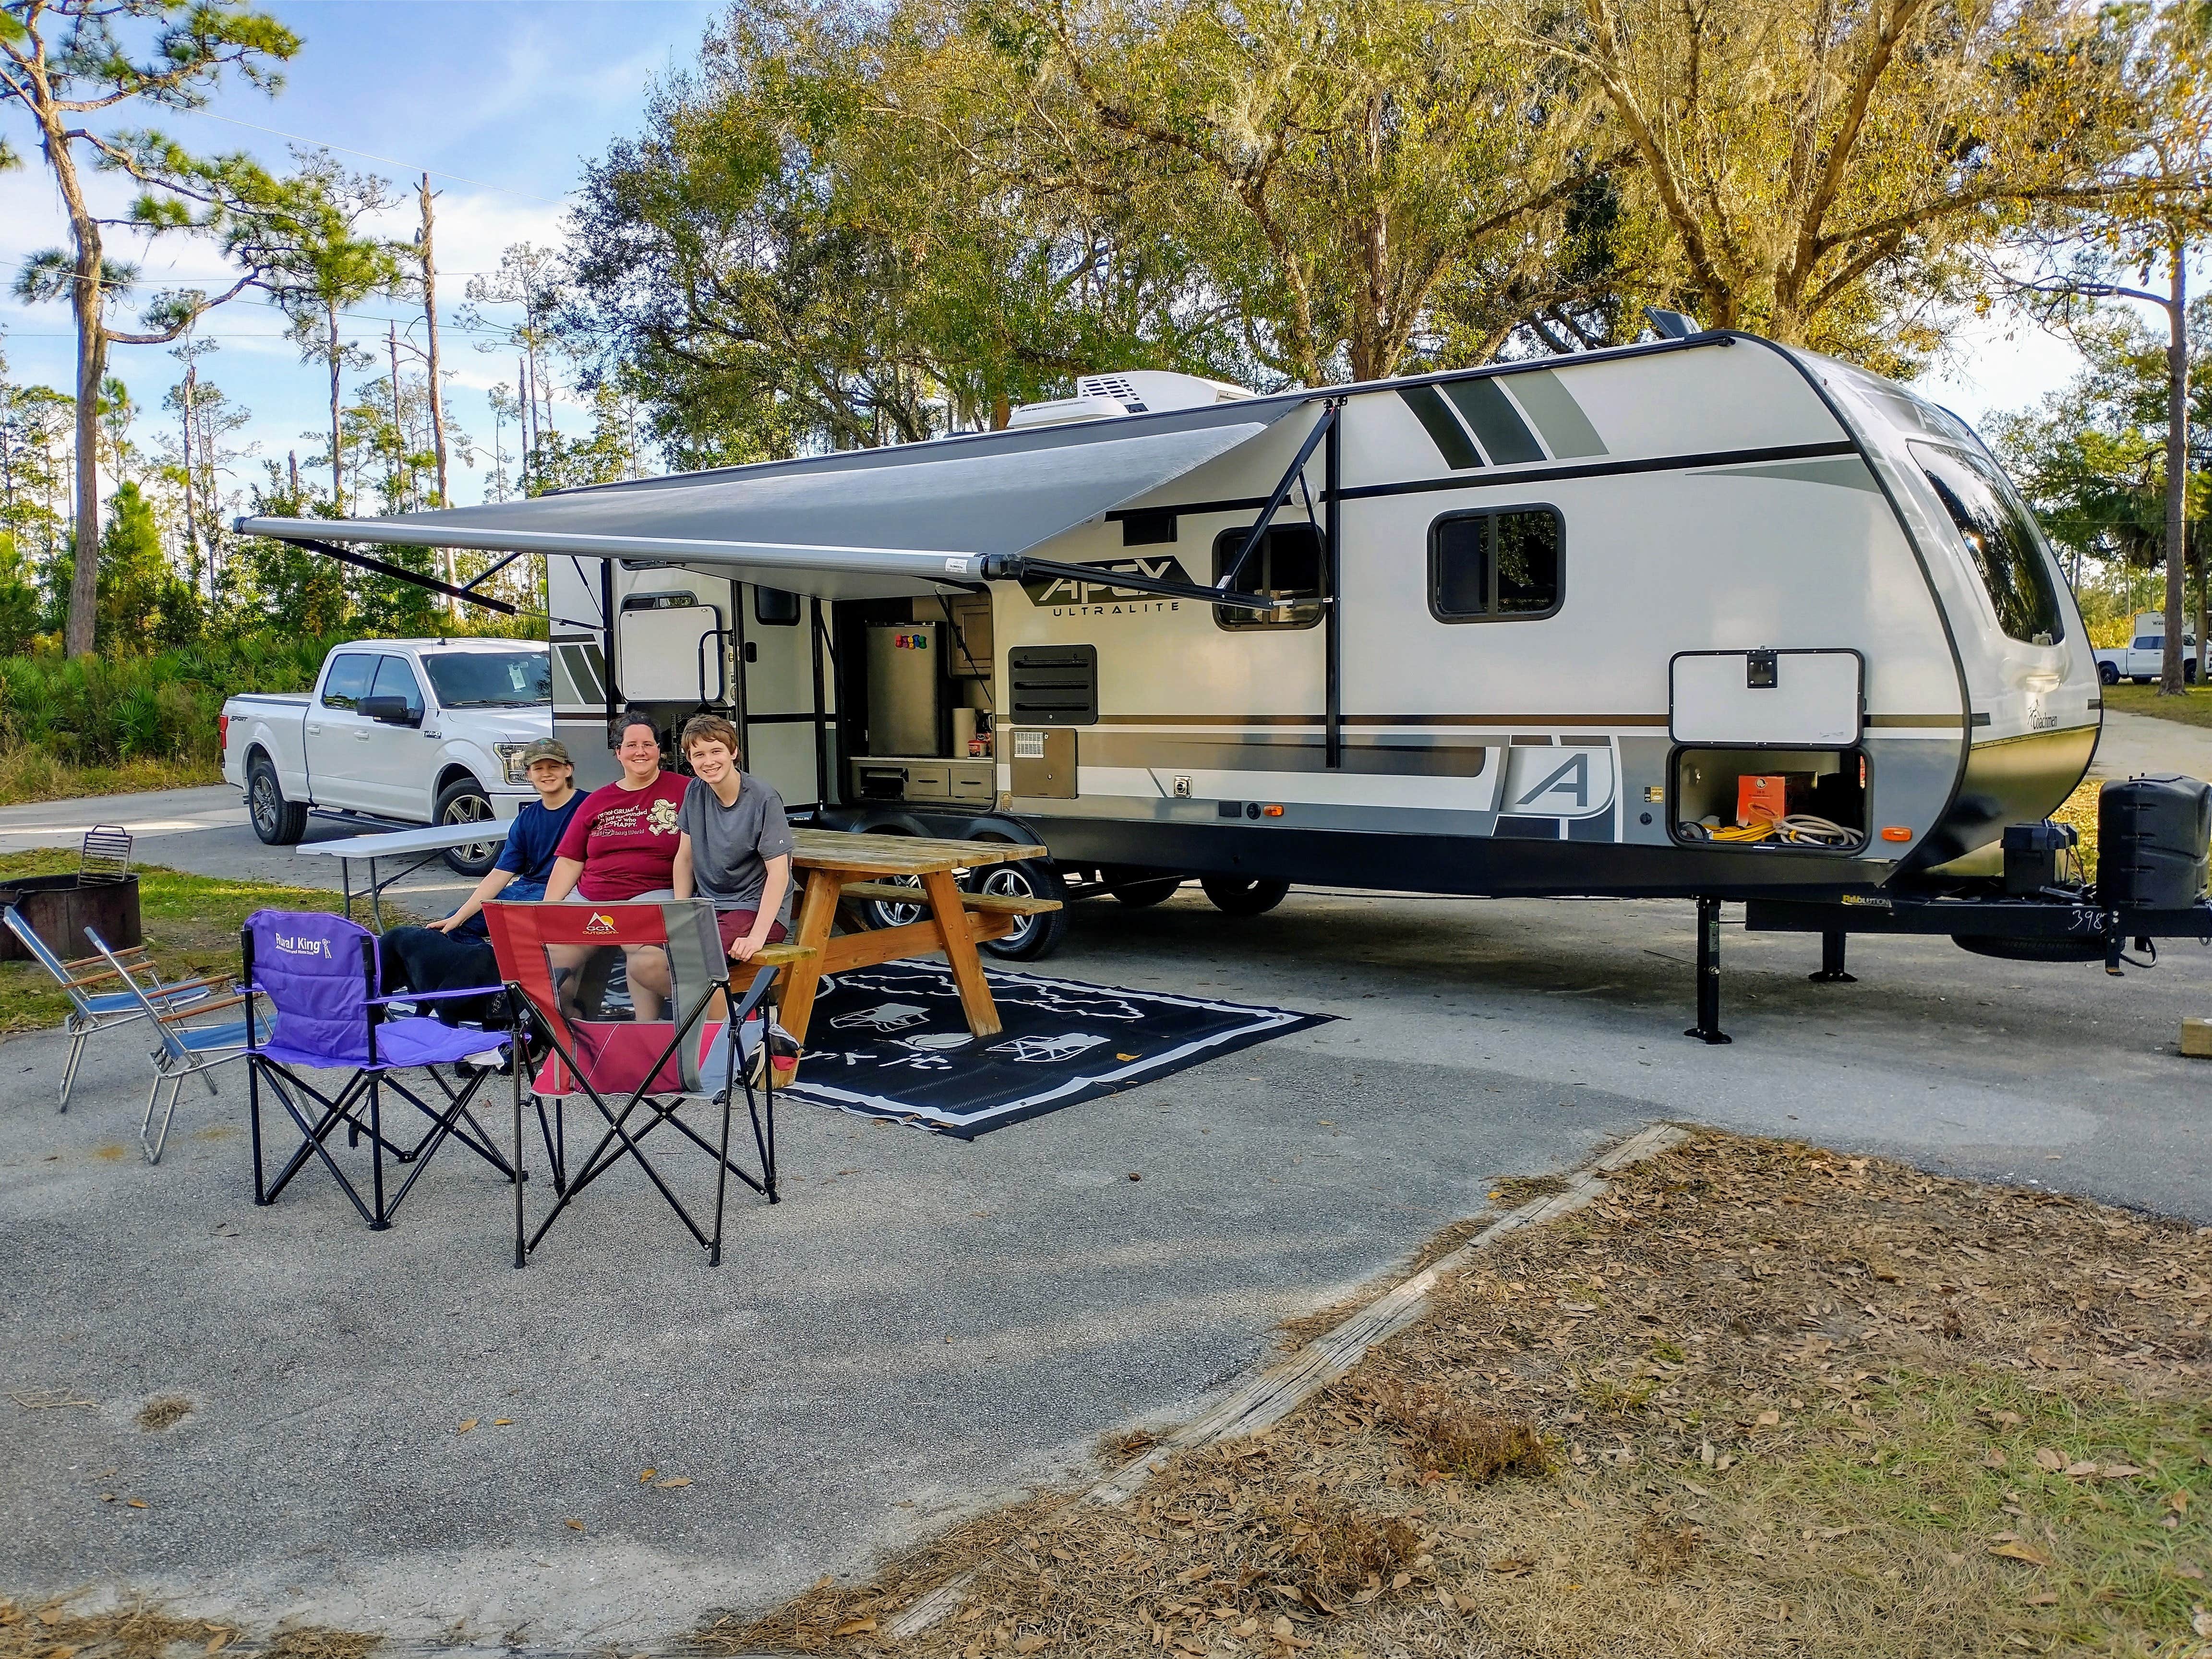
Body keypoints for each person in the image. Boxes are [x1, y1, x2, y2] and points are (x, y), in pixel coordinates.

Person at [378, 738, 581, 1020]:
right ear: (528, 775)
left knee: (529, 940)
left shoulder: (589, 806)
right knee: (452, 932)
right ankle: (492, 997)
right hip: (526, 890)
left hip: (571, 891)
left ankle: (522, 1003)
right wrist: (458, 917)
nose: (547, 774)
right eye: (538, 768)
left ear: (568, 770)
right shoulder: (526, 819)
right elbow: (500, 874)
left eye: (554, 767)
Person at [543, 713, 690, 1019]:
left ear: (659, 751)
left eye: (648, 744)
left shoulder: (686, 791)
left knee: (642, 952)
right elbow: (570, 861)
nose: (640, 752)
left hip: (651, 893)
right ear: (618, 753)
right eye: (631, 745)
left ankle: (646, 1029)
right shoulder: (597, 800)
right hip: (591, 898)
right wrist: (548, 913)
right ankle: (574, 1033)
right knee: (548, 964)